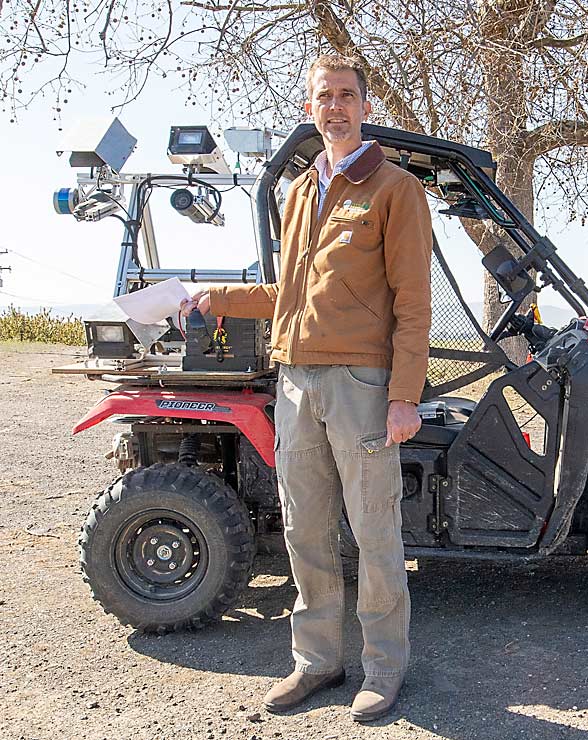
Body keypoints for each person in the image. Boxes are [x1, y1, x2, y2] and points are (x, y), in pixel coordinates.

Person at [181, 54, 433, 720]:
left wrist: (404, 394)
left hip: (362, 383)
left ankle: (384, 667)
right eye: (324, 97)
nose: (336, 107)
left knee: (375, 532)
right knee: (305, 529)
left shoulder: (395, 190)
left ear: (366, 106)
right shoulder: (298, 192)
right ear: (309, 108)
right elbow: (287, 294)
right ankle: (317, 661)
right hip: (296, 381)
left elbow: (414, 302)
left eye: (347, 96)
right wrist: (219, 298)